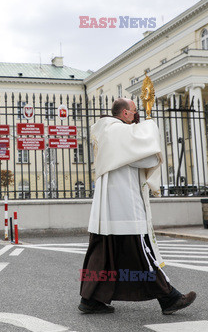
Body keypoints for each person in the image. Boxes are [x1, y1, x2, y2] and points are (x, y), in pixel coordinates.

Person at [78, 98, 196, 314]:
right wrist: (149, 125)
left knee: (103, 253)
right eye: (134, 112)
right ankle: (169, 298)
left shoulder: (105, 131)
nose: (136, 116)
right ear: (124, 113)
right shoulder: (118, 132)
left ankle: (90, 299)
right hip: (124, 205)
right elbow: (146, 158)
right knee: (142, 252)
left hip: (108, 208)